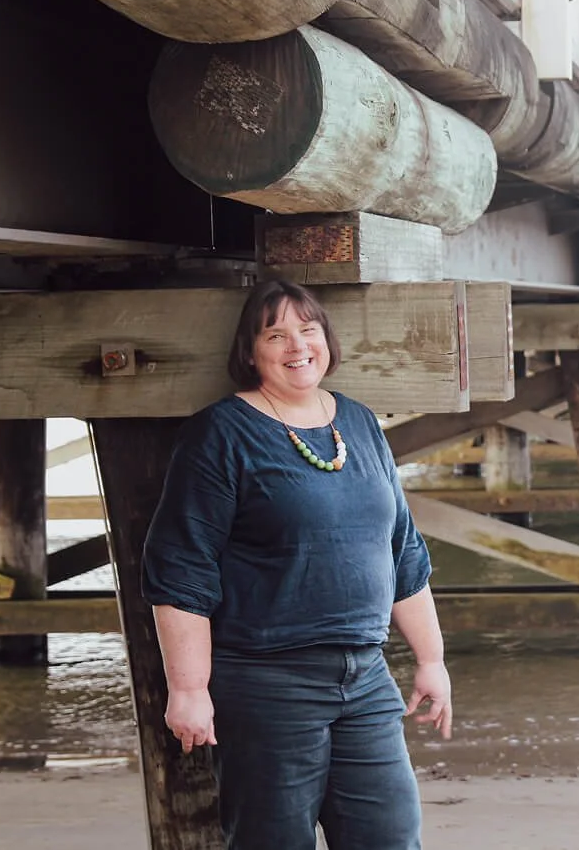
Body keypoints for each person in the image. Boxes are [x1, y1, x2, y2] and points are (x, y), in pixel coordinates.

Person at [141, 278, 452, 850]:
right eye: (276, 334)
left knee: (390, 837)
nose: (296, 346)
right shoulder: (220, 434)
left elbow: (402, 550)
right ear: (250, 351)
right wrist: (188, 689)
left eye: (307, 330)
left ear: (326, 339)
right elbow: (182, 567)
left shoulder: (357, 422)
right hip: (266, 683)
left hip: (365, 678)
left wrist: (431, 659)